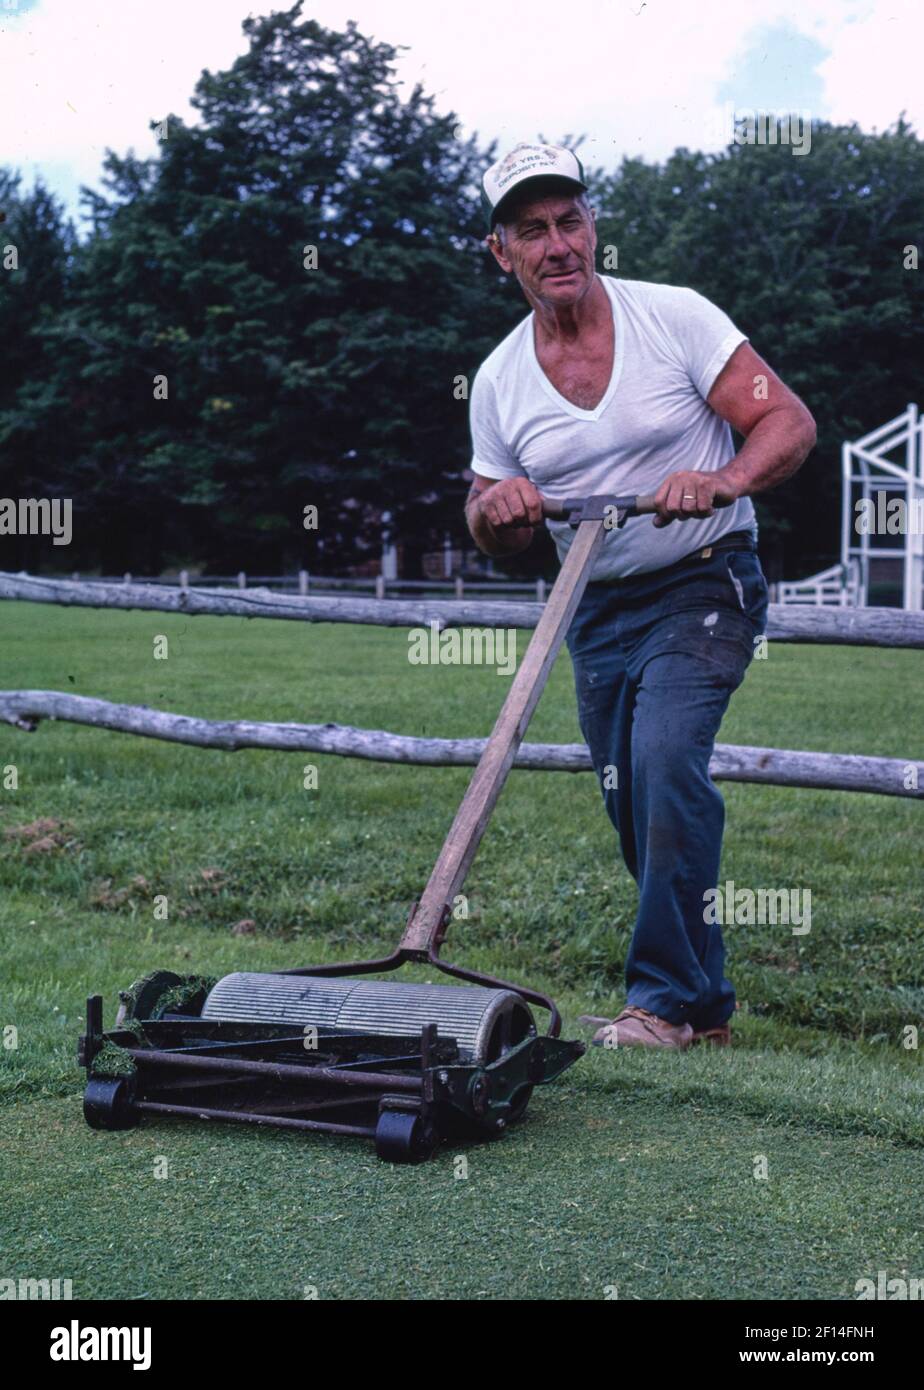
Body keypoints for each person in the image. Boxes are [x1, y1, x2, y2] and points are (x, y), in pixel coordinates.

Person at [464, 142, 816, 1050]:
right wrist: (497, 512)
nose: (558, 244)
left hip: (705, 579)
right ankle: (706, 1009)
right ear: (502, 252)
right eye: (532, 231)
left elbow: (788, 419)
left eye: (571, 221)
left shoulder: (677, 319)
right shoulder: (500, 379)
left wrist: (726, 478)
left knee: (662, 762)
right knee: (632, 798)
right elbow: (485, 513)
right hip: (593, 603)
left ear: (594, 227)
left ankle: (658, 1002)